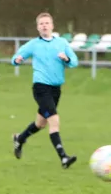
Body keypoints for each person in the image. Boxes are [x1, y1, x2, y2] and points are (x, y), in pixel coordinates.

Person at [11, 12, 79, 168]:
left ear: (52, 26)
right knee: (54, 121)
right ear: (37, 27)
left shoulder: (61, 43)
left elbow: (74, 62)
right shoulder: (33, 44)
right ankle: (63, 158)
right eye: (41, 24)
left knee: (40, 123)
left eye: (47, 23)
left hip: (56, 89)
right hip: (41, 88)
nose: (44, 26)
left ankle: (20, 139)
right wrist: (17, 60)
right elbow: (15, 58)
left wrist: (66, 59)